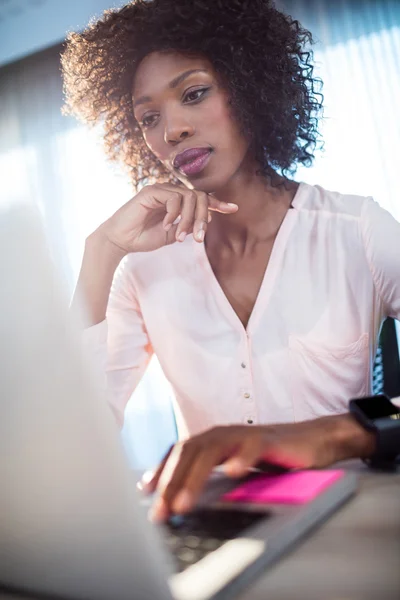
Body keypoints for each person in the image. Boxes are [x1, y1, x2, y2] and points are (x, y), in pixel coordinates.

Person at [61, 0, 400, 522]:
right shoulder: (142, 270)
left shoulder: (357, 230)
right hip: (215, 529)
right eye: (148, 118)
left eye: (194, 94)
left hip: (352, 524)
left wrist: (335, 435)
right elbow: (70, 445)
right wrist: (100, 252)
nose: (171, 131)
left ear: (249, 86)